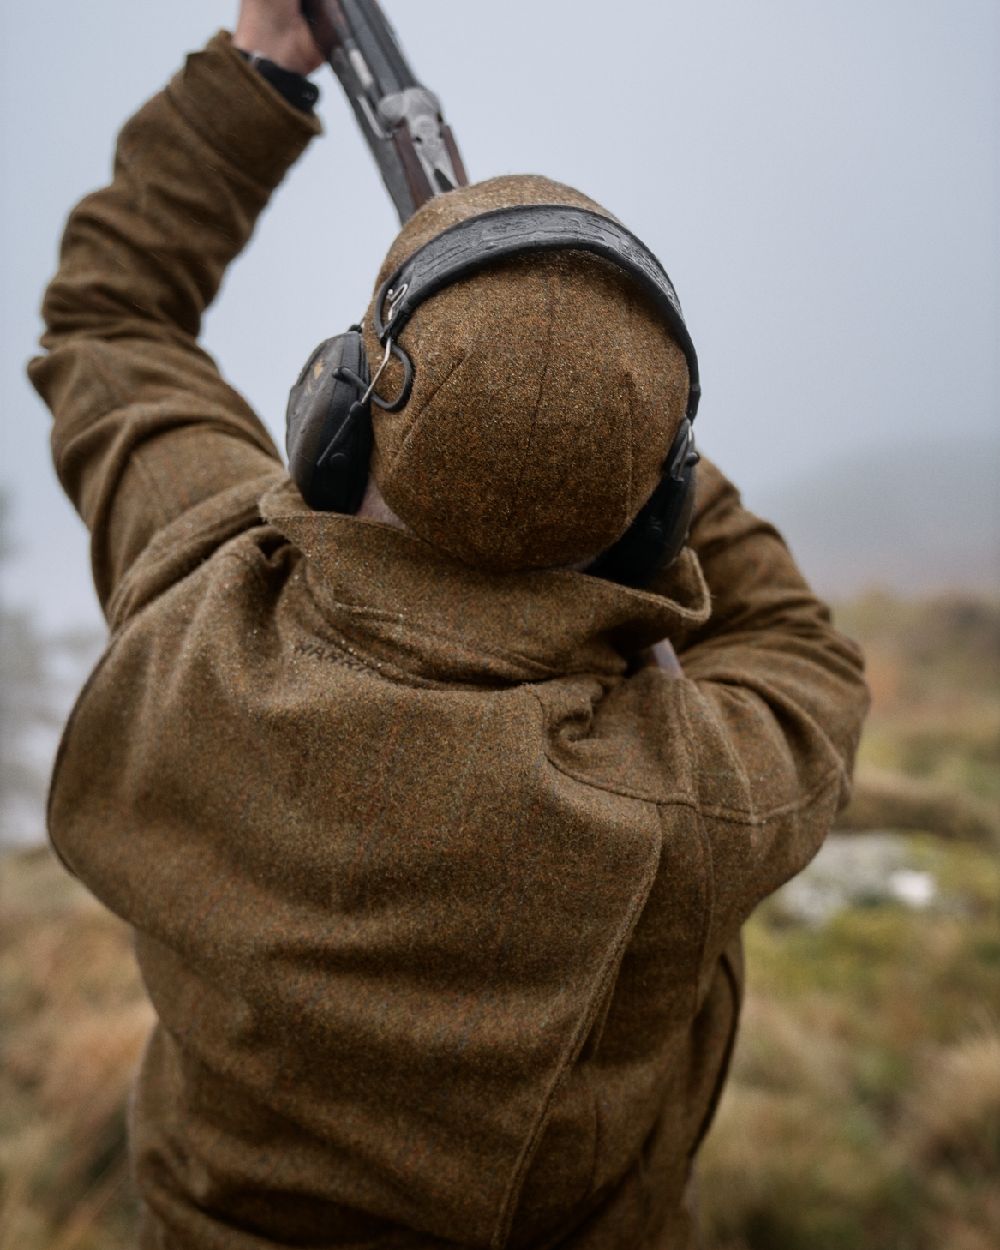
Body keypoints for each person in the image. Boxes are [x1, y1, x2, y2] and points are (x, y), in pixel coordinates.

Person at [28, 2, 869, 1247]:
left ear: (339, 411)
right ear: (653, 518)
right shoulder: (690, 793)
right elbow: (798, 645)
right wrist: (633, 436)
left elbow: (109, 312)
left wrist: (257, 68)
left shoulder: (195, 592)